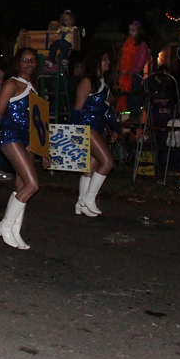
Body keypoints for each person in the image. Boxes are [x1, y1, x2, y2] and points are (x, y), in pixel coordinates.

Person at [0, 47, 50, 249]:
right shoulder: (12, 84)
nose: (29, 63)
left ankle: (15, 229)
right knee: (32, 185)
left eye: (32, 60)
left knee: (22, 185)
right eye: (25, 59)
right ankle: (5, 225)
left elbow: (39, 123)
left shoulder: (34, 86)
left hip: (28, 141)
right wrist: (14, 127)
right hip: (11, 137)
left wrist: (43, 149)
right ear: (18, 62)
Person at [71, 50, 120, 218]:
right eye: (104, 59)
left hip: (98, 128)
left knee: (90, 166)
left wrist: (115, 127)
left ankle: (81, 203)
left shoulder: (103, 83)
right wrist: (75, 132)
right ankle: (89, 197)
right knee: (107, 161)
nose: (108, 62)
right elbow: (77, 109)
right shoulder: (87, 81)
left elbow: (107, 111)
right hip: (87, 127)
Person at [118, 21, 150, 120]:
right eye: (130, 30)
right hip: (127, 73)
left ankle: (134, 115)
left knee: (134, 93)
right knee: (126, 93)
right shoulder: (128, 43)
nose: (131, 32)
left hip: (135, 73)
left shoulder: (142, 45)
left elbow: (142, 60)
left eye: (133, 30)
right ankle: (129, 114)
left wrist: (132, 71)